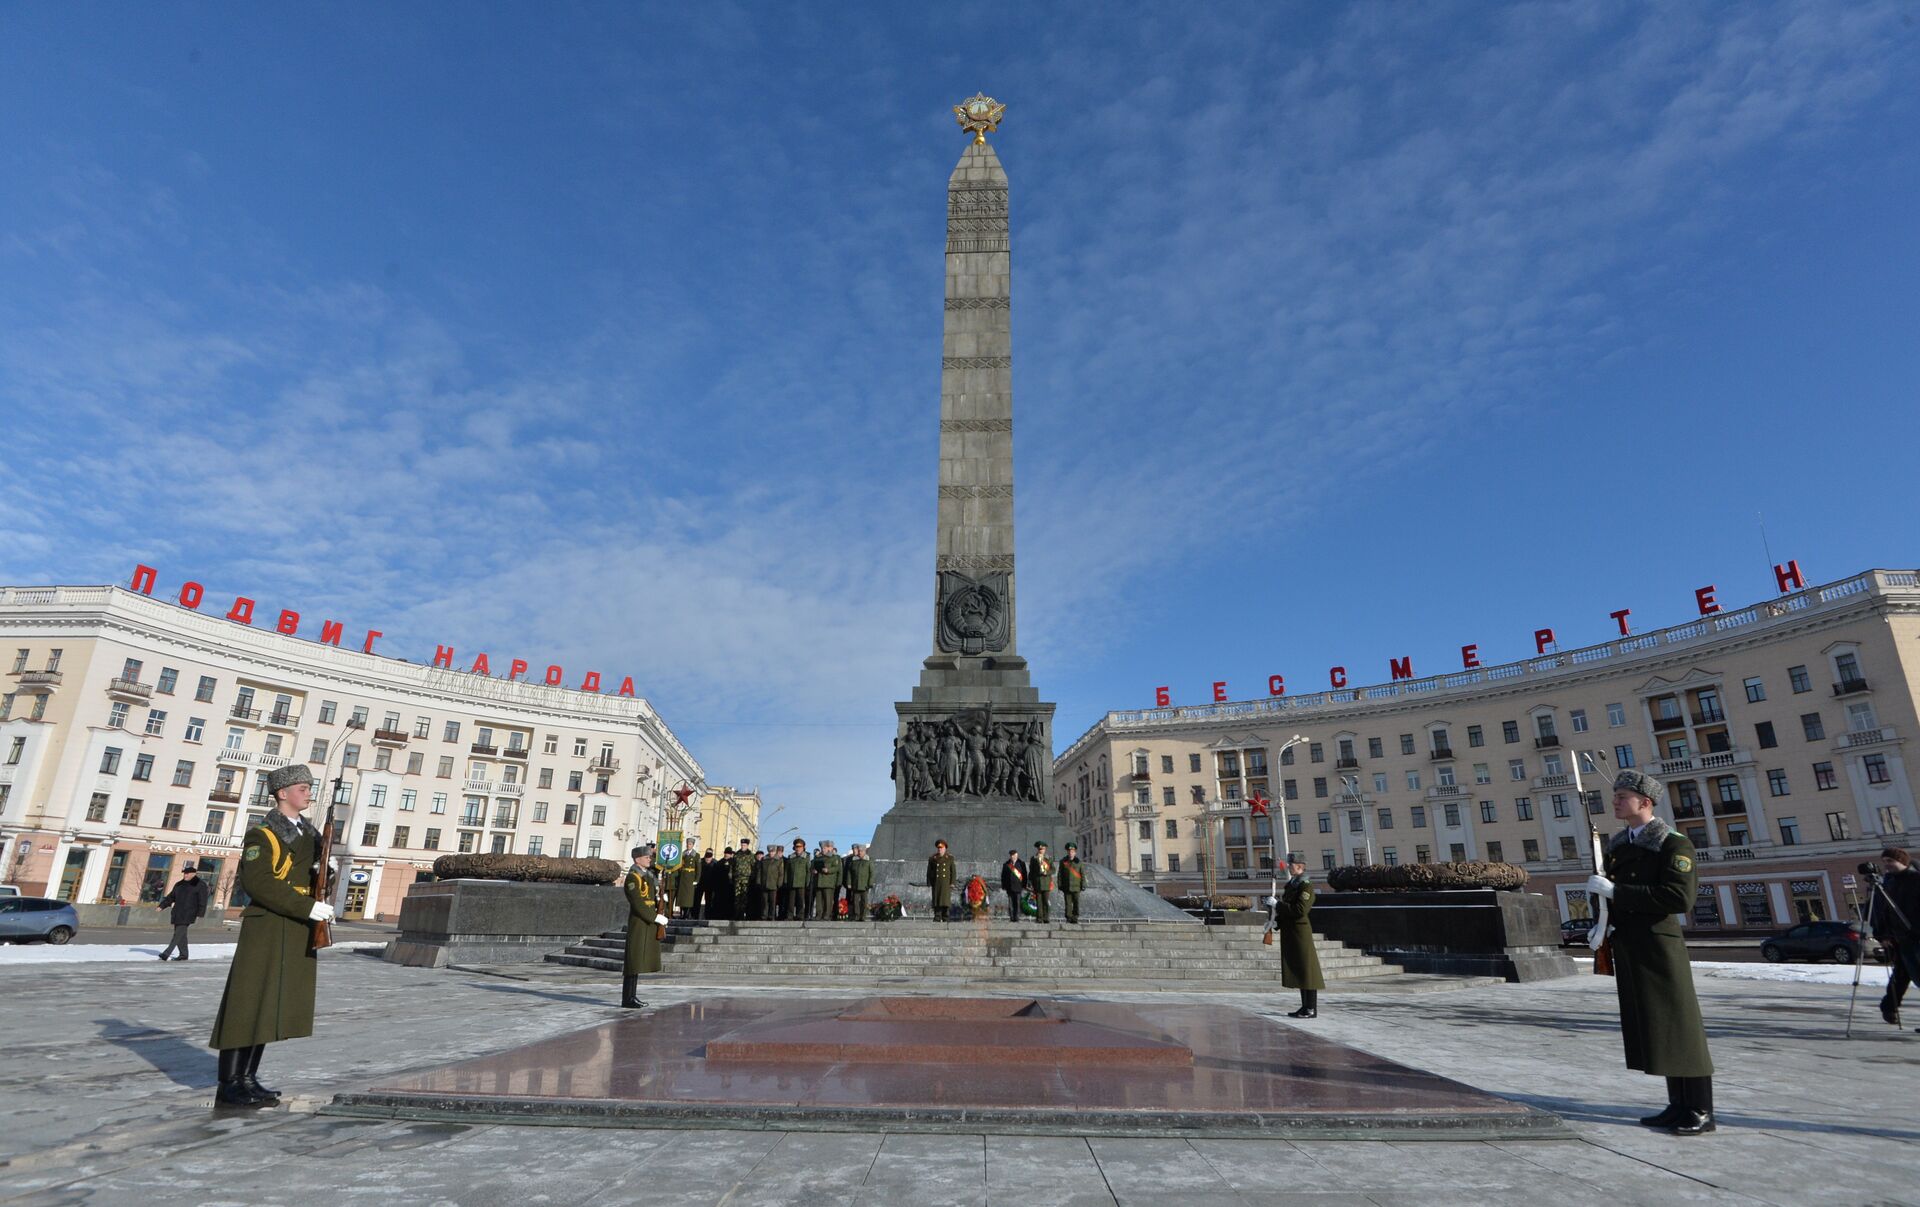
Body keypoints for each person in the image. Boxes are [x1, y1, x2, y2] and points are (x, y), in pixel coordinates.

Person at [1586, 769, 1716, 1135]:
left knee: (1681, 1025)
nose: (1614, 801)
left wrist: (1616, 893)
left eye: (1622, 796)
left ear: (1645, 802)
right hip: (1631, 945)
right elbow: (1608, 893)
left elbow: (1679, 898)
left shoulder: (1672, 844)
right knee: (1659, 1029)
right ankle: (1678, 1105)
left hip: (1660, 946)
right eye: (1615, 796)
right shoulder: (1619, 846)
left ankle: (1701, 1110)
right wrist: (1600, 922)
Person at [208, 763, 333, 1108]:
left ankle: (248, 1078)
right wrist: (304, 907)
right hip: (267, 925)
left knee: (267, 1004)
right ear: (283, 793)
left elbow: (314, 878)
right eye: (302, 788)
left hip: (293, 928)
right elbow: (259, 883)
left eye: (309, 788)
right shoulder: (262, 834)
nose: (309, 793)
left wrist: (326, 872)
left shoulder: (309, 834)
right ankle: (229, 1083)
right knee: (246, 1003)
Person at [1267, 853, 1324, 1018]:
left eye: (1290, 864)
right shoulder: (1292, 885)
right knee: (1300, 970)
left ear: (1299, 866)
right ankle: (1304, 1006)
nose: (1288, 866)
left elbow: (1300, 910)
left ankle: (1311, 1008)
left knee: (1307, 970)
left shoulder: (1305, 886)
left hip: (1300, 932)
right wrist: (1276, 922)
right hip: (1290, 931)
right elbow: (1287, 910)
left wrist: (1278, 904)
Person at [1870, 847, 1920, 1026]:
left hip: (1915, 936)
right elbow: (1880, 911)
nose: (1887, 865)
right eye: (1884, 862)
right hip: (1899, 938)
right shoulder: (1886, 884)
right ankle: (1889, 1007)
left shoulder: (1915, 880)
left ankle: (1888, 1007)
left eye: (1890, 861)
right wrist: (1882, 934)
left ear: (1902, 861)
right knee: (1900, 975)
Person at [621, 845, 666, 1009]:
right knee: (633, 960)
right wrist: (654, 917)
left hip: (646, 922)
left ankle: (632, 996)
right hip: (639, 922)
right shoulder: (633, 877)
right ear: (637, 859)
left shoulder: (646, 875)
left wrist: (662, 897)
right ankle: (628, 998)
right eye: (647, 857)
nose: (649, 859)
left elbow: (651, 894)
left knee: (638, 961)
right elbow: (638, 902)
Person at [156, 862, 210, 960]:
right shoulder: (179, 884)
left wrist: (200, 913)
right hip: (177, 912)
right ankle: (184, 955)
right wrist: (162, 906)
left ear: (194, 874)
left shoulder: (200, 884)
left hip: (189, 913)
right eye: (184, 873)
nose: (185, 875)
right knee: (181, 934)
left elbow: (203, 900)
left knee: (178, 933)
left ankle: (166, 953)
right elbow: (171, 897)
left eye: (187, 873)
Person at [811, 840, 844, 921]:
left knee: (827, 900)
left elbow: (837, 868)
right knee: (819, 900)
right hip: (818, 881)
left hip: (828, 882)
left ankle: (827, 915)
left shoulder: (834, 857)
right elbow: (812, 866)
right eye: (822, 848)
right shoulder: (818, 857)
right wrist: (813, 870)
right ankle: (819, 915)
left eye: (824, 848)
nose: (823, 849)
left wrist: (828, 870)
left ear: (829, 848)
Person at [927, 839, 956, 922]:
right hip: (936, 883)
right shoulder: (933, 858)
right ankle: (937, 916)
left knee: (945, 900)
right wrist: (929, 882)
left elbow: (953, 871)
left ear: (945, 848)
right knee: (937, 900)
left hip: (946, 883)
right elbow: (929, 871)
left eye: (941, 847)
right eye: (938, 848)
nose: (939, 849)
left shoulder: (949, 858)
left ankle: (945, 916)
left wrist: (952, 882)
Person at [757, 843, 787, 920]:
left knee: (772, 902)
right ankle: (764, 916)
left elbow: (781, 873)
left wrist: (779, 884)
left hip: (773, 884)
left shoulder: (779, 860)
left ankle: (771, 916)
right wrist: (759, 881)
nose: (771, 853)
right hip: (764, 883)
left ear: (775, 852)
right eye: (770, 852)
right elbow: (760, 871)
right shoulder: (764, 859)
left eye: (773, 852)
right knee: (764, 902)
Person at [1026, 842, 1054, 923]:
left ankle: (1046, 918)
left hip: (1046, 883)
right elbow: (1031, 871)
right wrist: (1029, 882)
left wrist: (1047, 872)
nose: (1041, 851)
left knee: (1046, 901)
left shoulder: (1049, 858)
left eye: (1042, 849)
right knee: (1038, 902)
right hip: (1037, 883)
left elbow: (1053, 869)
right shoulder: (1034, 858)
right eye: (1039, 849)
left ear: (1045, 850)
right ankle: (1039, 918)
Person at [843, 843, 873, 921]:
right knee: (855, 901)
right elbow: (849, 872)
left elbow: (871, 873)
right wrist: (849, 883)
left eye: (861, 851)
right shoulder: (854, 861)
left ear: (865, 851)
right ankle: (856, 915)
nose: (860, 852)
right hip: (855, 884)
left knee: (864, 901)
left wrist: (870, 883)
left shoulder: (868, 861)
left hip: (864, 885)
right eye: (859, 851)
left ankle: (863, 916)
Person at [1058, 842, 1086, 924]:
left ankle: (1075, 917)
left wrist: (1083, 884)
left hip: (1076, 886)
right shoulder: (1063, 862)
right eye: (1069, 851)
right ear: (1067, 852)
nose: (1071, 853)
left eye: (1072, 851)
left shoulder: (1079, 862)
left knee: (1076, 903)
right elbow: (1060, 874)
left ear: (1075, 852)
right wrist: (1060, 884)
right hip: (1066, 886)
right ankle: (1068, 917)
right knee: (1068, 903)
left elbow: (1082, 874)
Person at [785, 839, 812, 920]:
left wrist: (807, 882)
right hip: (791, 882)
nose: (798, 848)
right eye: (797, 847)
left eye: (800, 847)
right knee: (791, 901)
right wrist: (786, 881)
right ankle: (789, 916)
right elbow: (787, 871)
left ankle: (800, 915)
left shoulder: (806, 857)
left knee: (800, 901)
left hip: (801, 882)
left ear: (803, 848)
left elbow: (808, 871)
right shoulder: (791, 857)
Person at [672, 850, 701, 920]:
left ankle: (686, 914)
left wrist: (696, 880)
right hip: (683, 878)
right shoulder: (683, 854)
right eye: (688, 844)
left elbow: (699, 868)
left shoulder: (696, 855)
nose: (688, 845)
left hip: (690, 878)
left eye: (690, 844)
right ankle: (682, 912)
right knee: (682, 897)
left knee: (688, 898)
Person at [731, 843, 756, 920]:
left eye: (744, 845)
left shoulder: (751, 855)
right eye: (742, 845)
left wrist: (752, 878)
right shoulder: (737, 854)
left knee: (744, 897)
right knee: (737, 897)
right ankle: (736, 914)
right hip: (737, 879)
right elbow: (732, 866)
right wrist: (731, 876)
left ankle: (742, 914)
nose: (743, 846)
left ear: (747, 846)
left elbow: (754, 867)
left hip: (746, 879)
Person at [1000, 849, 1026, 921]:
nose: (1012, 857)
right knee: (1010, 903)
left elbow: (1024, 875)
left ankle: (1017, 917)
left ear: (1017, 855)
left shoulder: (1021, 864)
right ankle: (1011, 917)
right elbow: (1003, 876)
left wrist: (1024, 885)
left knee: (1017, 902)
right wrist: (1003, 885)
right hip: (1009, 886)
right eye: (1011, 855)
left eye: (1014, 855)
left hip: (1018, 886)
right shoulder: (1006, 864)